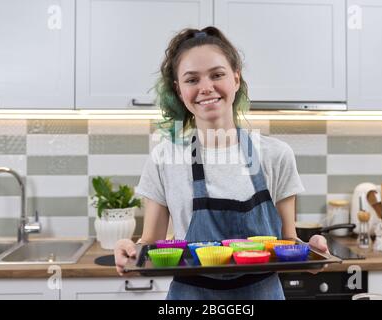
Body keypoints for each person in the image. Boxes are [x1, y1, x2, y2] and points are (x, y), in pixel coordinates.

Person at [114, 26, 329, 300]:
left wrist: (312, 253)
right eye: (192, 79)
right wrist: (129, 251)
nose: (206, 88)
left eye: (217, 75)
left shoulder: (276, 155)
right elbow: (151, 246)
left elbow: (287, 243)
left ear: (236, 79)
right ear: (179, 91)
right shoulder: (164, 158)